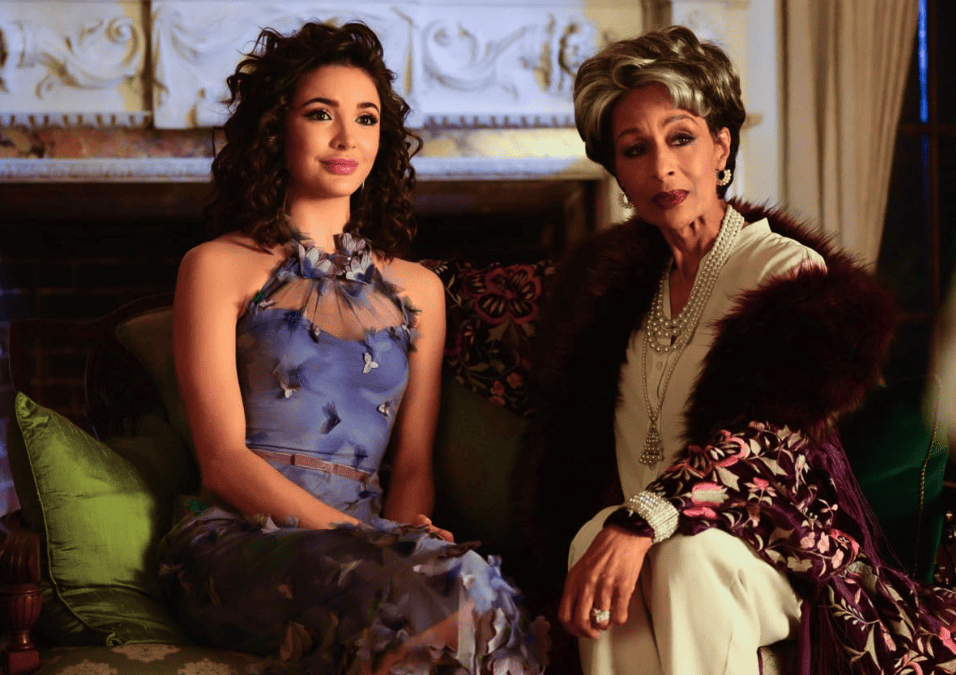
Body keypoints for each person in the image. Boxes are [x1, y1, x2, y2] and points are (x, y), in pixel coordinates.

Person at [518, 25, 956, 675]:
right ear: (617, 176)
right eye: (635, 149)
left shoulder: (786, 270)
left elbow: (767, 436)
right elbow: (483, 311)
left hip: (773, 550)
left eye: (681, 137)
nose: (662, 166)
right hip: (646, 542)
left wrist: (647, 516)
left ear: (721, 147)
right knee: (594, 535)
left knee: (687, 556)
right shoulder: (612, 288)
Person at [158, 21, 548, 675]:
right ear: (275, 129)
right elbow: (221, 462)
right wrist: (375, 543)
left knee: (481, 590)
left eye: (365, 118)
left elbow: (414, 462)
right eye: (320, 114)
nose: (347, 138)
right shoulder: (216, 266)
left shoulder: (419, 288)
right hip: (239, 543)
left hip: (373, 542)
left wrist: (403, 540)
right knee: (406, 590)